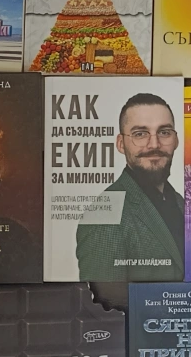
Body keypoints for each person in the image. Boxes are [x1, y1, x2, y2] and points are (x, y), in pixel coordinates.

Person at [75, 93, 184, 281]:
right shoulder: (104, 214)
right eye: (140, 134)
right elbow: (105, 299)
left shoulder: (181, 202)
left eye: (164, 132)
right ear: (120, 144)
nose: (154, 144)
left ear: (176, 140)